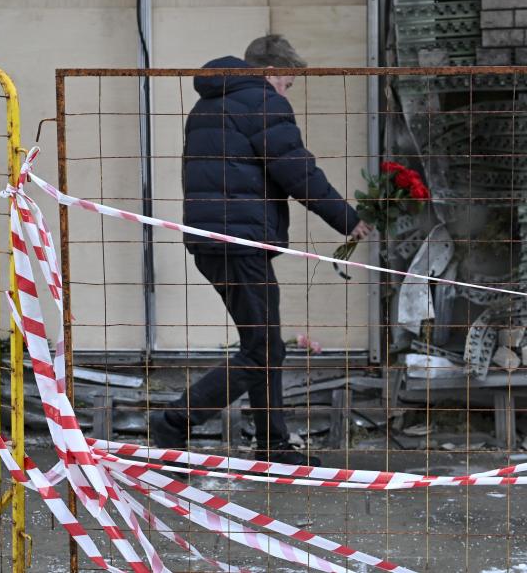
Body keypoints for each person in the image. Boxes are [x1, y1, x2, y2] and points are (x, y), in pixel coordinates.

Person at [150, 34, 373, 466]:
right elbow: (297, 169)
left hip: (213, 239)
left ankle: (273, 445)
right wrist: (346, 218)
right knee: (262, 349)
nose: (286, 92)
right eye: (287, 83)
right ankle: (175, 421)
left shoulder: (207, 104)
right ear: (272, 72)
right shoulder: (262, 101)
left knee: (264, 345)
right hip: (240, 241)